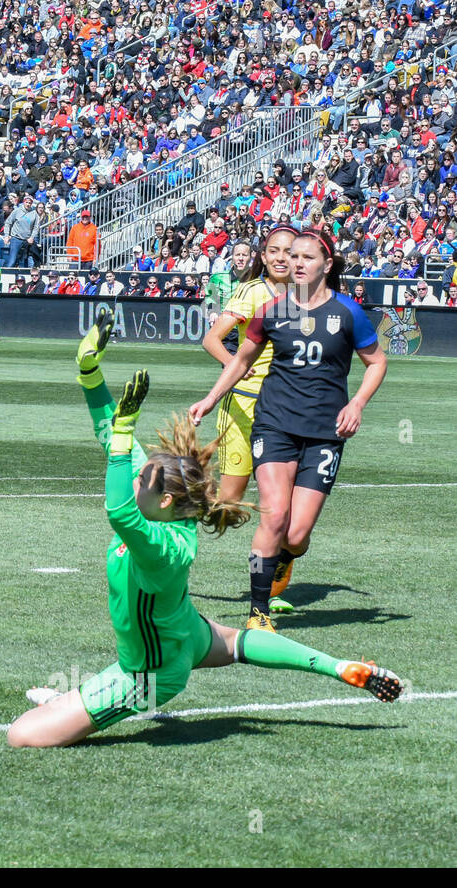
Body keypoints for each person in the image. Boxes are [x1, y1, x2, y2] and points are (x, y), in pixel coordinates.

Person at [6, 319, 402, 748]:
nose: (133, 477)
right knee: (241, 645)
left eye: (140, 478)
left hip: (149, 674)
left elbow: (118, 510)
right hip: (185, 630)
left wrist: (123, 440)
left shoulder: (161, 546)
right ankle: (340, 667)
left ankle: (76, 702)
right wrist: (90, 375)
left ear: (162, 501)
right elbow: (111, 441)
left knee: (22, 735)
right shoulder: (170, 514)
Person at [189, 230, 388, 632]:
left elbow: (377, 362)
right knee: (275, 516)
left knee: (295, 535)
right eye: (293, 256)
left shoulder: (348, 312)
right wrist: (210, 399)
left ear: (326, 265)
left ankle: (286, 558)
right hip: (275, 423)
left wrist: (357, 403)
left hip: (325, 432)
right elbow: (241, 360)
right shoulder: (272, 309)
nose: (297, 263)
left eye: (307, 257)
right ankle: (258, 612)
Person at [199, 230, 292, 512]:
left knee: (280, 505)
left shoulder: (304, 294)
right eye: (273, 251)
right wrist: (233, 364)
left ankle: (274, 555)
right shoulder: (252, 291)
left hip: (284, 408)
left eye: (288, 251)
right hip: (243, 402)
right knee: (228, 503)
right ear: (263, 257)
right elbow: (211, 339)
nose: (280, 257)